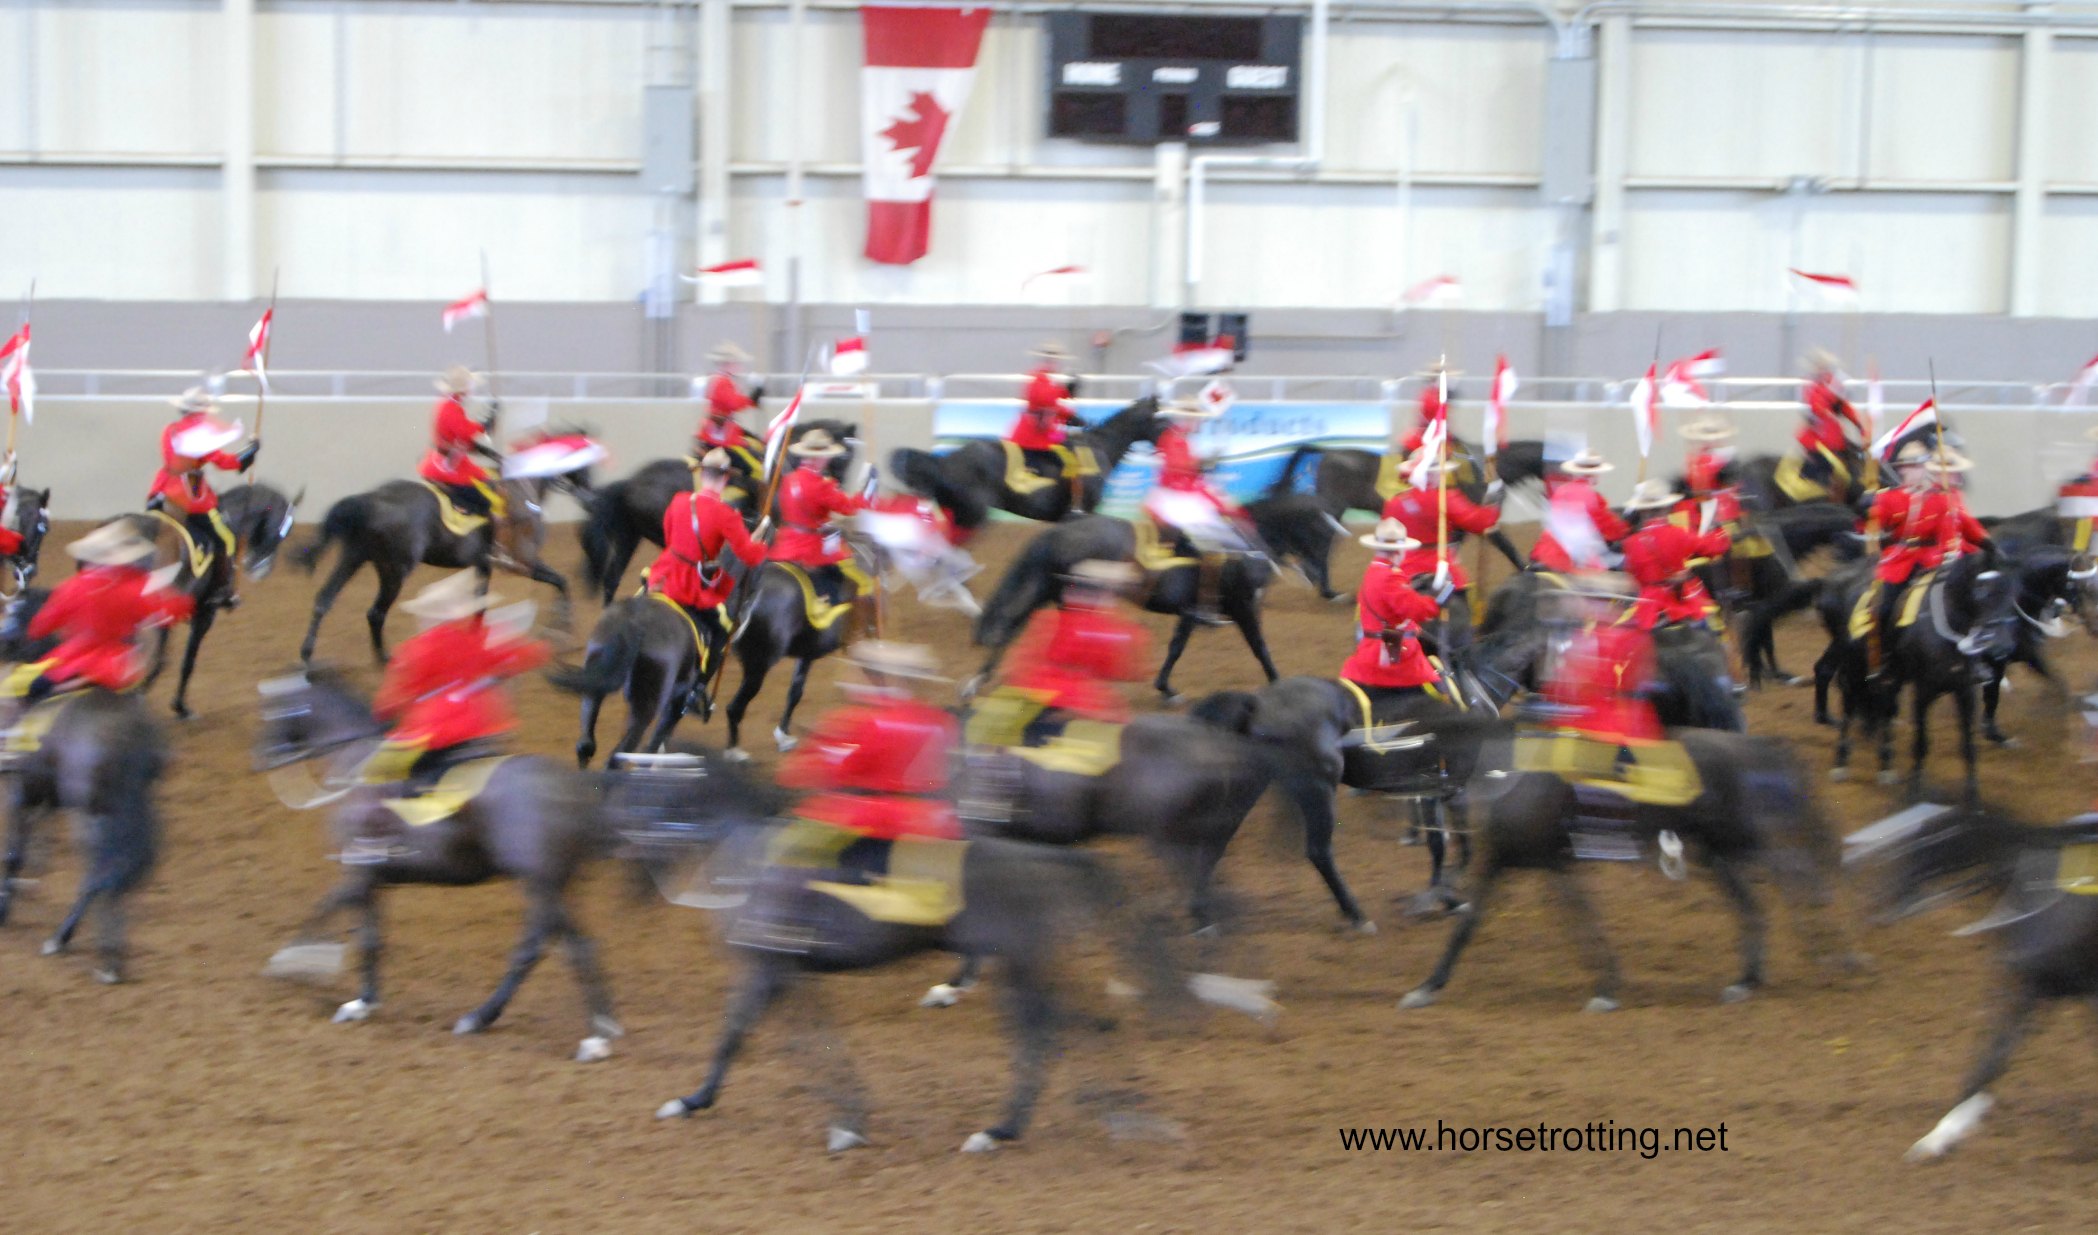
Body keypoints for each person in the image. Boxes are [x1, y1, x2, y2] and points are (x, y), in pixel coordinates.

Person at [364, 571, 550, 788]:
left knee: (390, 785)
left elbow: (388, 704)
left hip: (434, 738)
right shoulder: (485, 635)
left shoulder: (416, 649)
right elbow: (531, 654)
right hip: (488, 732)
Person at [776, 641, 961, 842]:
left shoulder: (858, 721)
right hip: (931, 824)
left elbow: (802, 774)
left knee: (783, 846)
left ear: (877, 679)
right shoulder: (941, 721)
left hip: (869, 826)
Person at [2, 523, 192, 705]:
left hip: (79, 660)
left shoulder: (73, 587)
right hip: (123, 667)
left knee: (27, 690)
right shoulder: (139, 584)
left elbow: (40, 627)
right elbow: (177, 607)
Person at [1854, 441, 1992, 666]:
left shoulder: (1940, 497)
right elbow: (1867, 528)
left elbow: (1955, 528)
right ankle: (1887, 653)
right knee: (1885, 605)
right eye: (1906, 468)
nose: (1910, 472)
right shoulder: (1889, 497)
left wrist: (1964, 550)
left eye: (1917, 467)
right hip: (1898, 561)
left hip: (1932, 559)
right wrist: (1864, 512)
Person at [1001, 560, 1150, 736]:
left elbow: (1012, 670)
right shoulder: (1123, 632)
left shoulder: (1046, 620)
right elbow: (1130, 672)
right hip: (1082, 710)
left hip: (1026, 704)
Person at [148, 385, 256, 605]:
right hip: (191, 496)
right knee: (225, 539)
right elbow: (224, 462)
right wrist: (249, 452)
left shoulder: (170, 430)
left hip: (162, 490)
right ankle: (222, 589)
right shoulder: (199, 436)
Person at [1143, 397, 1246, 622]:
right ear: (1187, 420)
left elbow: (1186, 469)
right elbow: (1178, 469)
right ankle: (1205, 606)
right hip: (1173, 500)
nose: (1199, 424)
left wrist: (1202, 464)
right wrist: (1202, 463)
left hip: (1177, 498)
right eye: (1197, 420)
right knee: (1212, 550)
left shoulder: (1180, 439)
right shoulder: (1172, 439)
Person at [1539, 576, 1663, 748]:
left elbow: (1568, 686)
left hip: (1599, 729)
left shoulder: (1594, 637)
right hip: (1616, 724)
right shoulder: (1631, 636)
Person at [1339, 518, 1445, 708]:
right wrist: (1437, 598)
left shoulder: (1375, 570)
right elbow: (1419, 611)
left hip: (1374, 647)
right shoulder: (1390, 577)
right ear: (1399, 550)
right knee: (1437, 695)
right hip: (1394, 653)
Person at [768, 428, 872, 617]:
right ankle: (835, 613)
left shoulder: (788, 480)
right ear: (820, 458)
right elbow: (848, 507)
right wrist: (866, 495)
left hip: (786, 543)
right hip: (810, 547)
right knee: (851, 578)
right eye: (826, 456)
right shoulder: (822, 485)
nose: (828, 460)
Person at [1382, 449, 1500, 593]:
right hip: (1438, 564)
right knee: (1460, 591)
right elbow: (1478, 523)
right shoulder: (1446, 499)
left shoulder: (1394, 502)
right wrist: (1491, 508)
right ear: (1432, 474)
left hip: (1404, 565)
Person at [1620, 479, 1730, 633]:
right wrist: (1718, 530)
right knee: (1713, 629)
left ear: (1643, 511)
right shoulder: (1678, 533)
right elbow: (1715, 547)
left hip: (1649, 607)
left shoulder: (1630, 543)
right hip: (1681, 599)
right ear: (1666, 508)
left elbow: (1633, 577)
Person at [418, 365, 504, 525]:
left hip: (455, 458)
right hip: (447, 466)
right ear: (462, 389)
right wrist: (485, 425)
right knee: (483, 502)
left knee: (486, 478)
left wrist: (483, 428)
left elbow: (463, 434)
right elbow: (465, 432)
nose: (472, 389)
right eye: (469, 386)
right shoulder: (450, 408)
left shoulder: (450, 404)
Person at [1529, 450, 1627, 574]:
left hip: (1544, 552)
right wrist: (1625, 527)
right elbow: (1610, 530)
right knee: (1624, 563)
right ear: (1594, 474)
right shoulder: (1593, 497)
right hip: (1573, 558)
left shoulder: (1559, 491)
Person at [1788, 354, 1865, 501]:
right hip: (1817, 437)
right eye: (1819, 366)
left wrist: (1858, 424)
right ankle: (1817, 490)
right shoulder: (1810, 386)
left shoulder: (1833, 384)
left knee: (1855, 457)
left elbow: (1844, 407)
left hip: (1835, 436)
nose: (1821, 369)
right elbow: (1815, 408)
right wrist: (1831, 398)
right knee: (1822, 463)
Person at [692, 342, 762, 475]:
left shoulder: (718, 380)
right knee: (750, 466)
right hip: (720, 437)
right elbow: (734, 403)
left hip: (721, 431)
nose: (740, 366)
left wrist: (751, 401)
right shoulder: (722, 382)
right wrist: (752, 399)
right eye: (737, 363)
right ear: (728, 364)